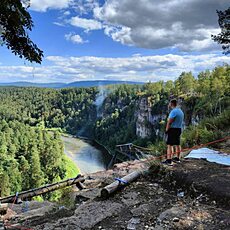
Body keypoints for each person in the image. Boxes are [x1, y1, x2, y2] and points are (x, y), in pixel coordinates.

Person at [162, 99, 184, 165]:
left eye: (169, 103)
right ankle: (177, 158)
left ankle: (169, 160)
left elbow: (169, 122)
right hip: (179, 129)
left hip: (173, 130)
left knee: (169, 145)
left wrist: (166, 129)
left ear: (171, 104)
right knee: (177, 144)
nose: (168, 104)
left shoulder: (173, 111)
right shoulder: (180, 111)